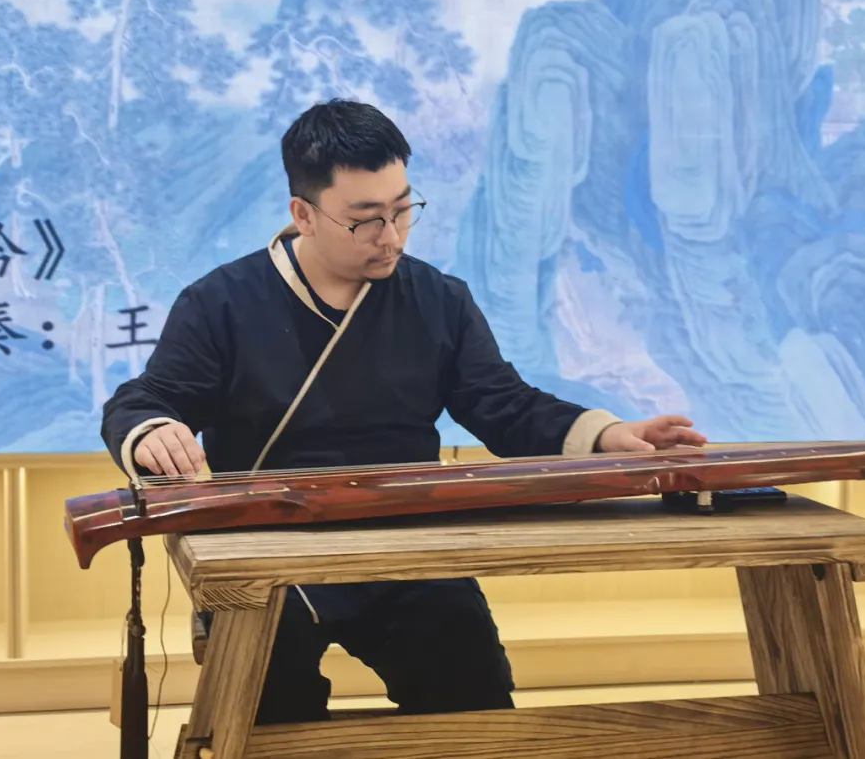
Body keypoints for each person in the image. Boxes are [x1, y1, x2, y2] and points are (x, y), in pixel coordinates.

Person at [100, 98, 707, 724]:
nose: (390, 236)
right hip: (271, 552)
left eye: (402, 210)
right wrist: (152, 431)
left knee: (471, 691)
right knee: (270, 708)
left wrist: (607, 435)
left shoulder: (438, 300)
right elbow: (145, 400)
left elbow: (504, 405)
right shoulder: (222, 302)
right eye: (365, 220)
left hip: (407, 546)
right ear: (303, 215)